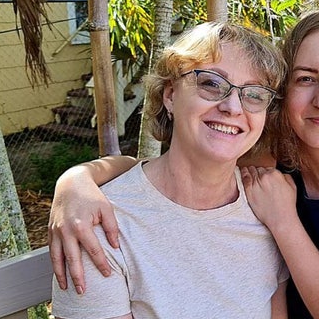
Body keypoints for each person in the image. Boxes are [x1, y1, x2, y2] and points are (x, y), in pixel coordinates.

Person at [49, 8, 319, 318]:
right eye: (305, 79)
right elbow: (181, 163)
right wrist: (76, 181)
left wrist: (284, 220)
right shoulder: (272, 160)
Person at [49, 21, 289, 319]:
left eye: (254, 94)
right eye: (211, 83)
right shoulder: (101, 223)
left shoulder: (266, 205)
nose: (233, 107)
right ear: (170, 95)